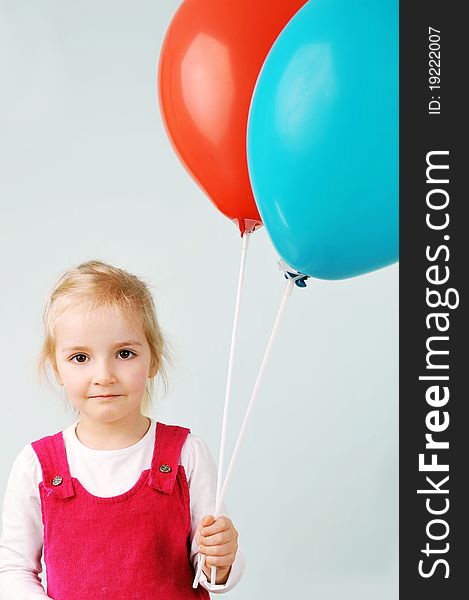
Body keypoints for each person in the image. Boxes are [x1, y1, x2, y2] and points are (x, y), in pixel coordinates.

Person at [0, 260, 244, 598]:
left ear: (153, 359)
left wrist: (222, 556)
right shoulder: (37, 466)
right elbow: (12, 569)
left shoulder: (186, 454)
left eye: (124, 353)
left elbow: (212, 574)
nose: (104, 375)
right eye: (81, 358)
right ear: (56, 366)